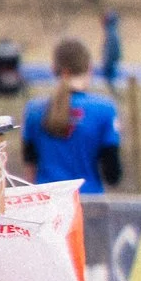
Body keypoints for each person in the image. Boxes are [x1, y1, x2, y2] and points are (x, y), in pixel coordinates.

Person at [22, 38, 121, 194]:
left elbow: (30, 171)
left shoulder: (34, 110)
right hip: (89, 205)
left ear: (53, 68)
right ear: (89, 68)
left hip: (48, 205)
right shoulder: (105, 109)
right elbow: (112, 175)